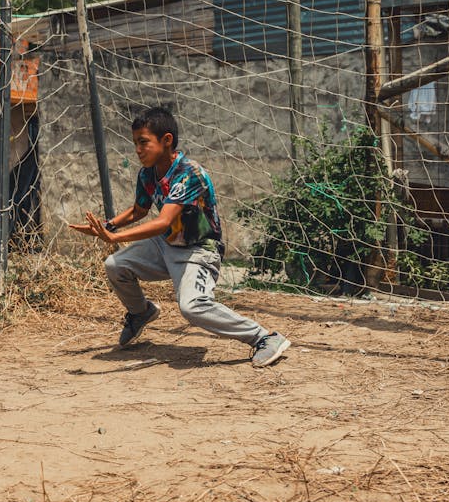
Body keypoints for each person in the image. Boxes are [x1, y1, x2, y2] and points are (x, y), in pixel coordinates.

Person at [70, 106, 290, 367]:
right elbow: (140, 209)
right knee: (116, 266)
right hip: (166, 247)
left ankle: (264, 337)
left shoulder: (189, 173)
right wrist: (108, 226)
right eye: (135, 144)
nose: (138, 150)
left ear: (166, 140)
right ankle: (141, 313)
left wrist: (114, 238)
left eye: (143, 143)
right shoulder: (147, 174)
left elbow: (163, 221)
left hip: (198, 252)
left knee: (192, 307)